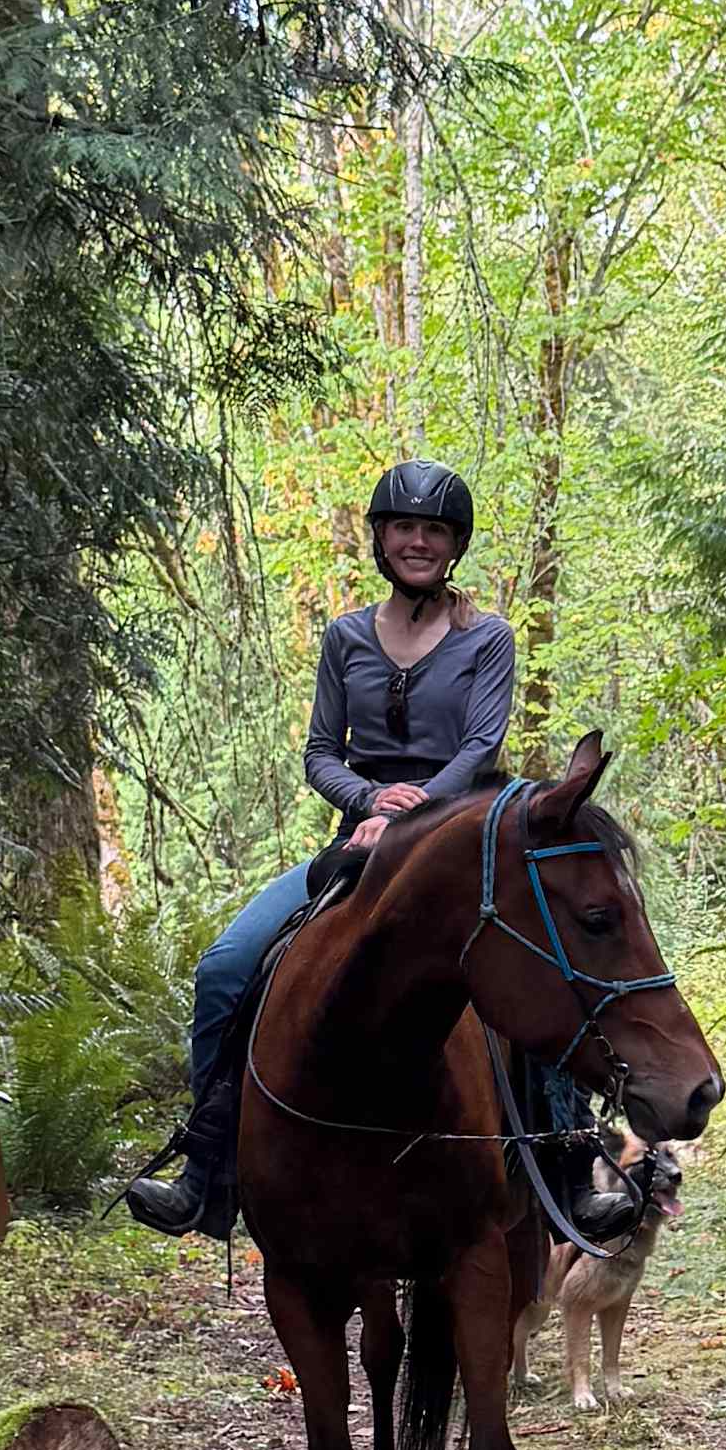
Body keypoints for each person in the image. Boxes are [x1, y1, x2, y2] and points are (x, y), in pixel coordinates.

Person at [127, 454, 583, 1245]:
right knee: (227, 967)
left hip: (463, 842)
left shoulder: (490, 638)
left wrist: (412, 813)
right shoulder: (345, 638)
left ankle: (569, 1167)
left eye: (433, 530)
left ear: (454, 546)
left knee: (542, 966)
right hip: (359, 838)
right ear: (381, 539)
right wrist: (370, 803)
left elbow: (479, 747)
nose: (417, 541)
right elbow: (318, 753)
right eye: (403, 527)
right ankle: (208, 1167)